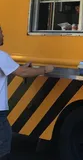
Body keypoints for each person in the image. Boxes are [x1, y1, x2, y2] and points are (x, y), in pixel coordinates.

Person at [0, 26, 54, 159]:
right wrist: (45, 70)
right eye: (1, 32)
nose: (3, 35)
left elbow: (16, 70)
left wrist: (21, 68)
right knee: (3, 147)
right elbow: (22, 73)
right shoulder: (1, 56)